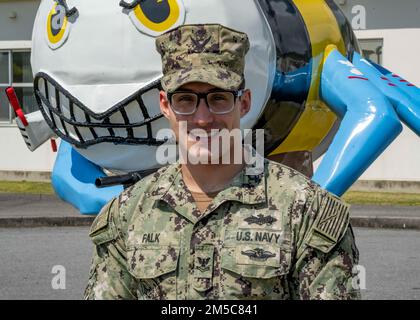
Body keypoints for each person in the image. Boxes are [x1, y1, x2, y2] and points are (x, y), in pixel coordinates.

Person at [84, 24, 360, 300]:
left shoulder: (306, 211)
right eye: (185, 100)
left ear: (244, 103)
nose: (203, 119)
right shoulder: (127, 215)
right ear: (165, 106)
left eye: (218, 99)